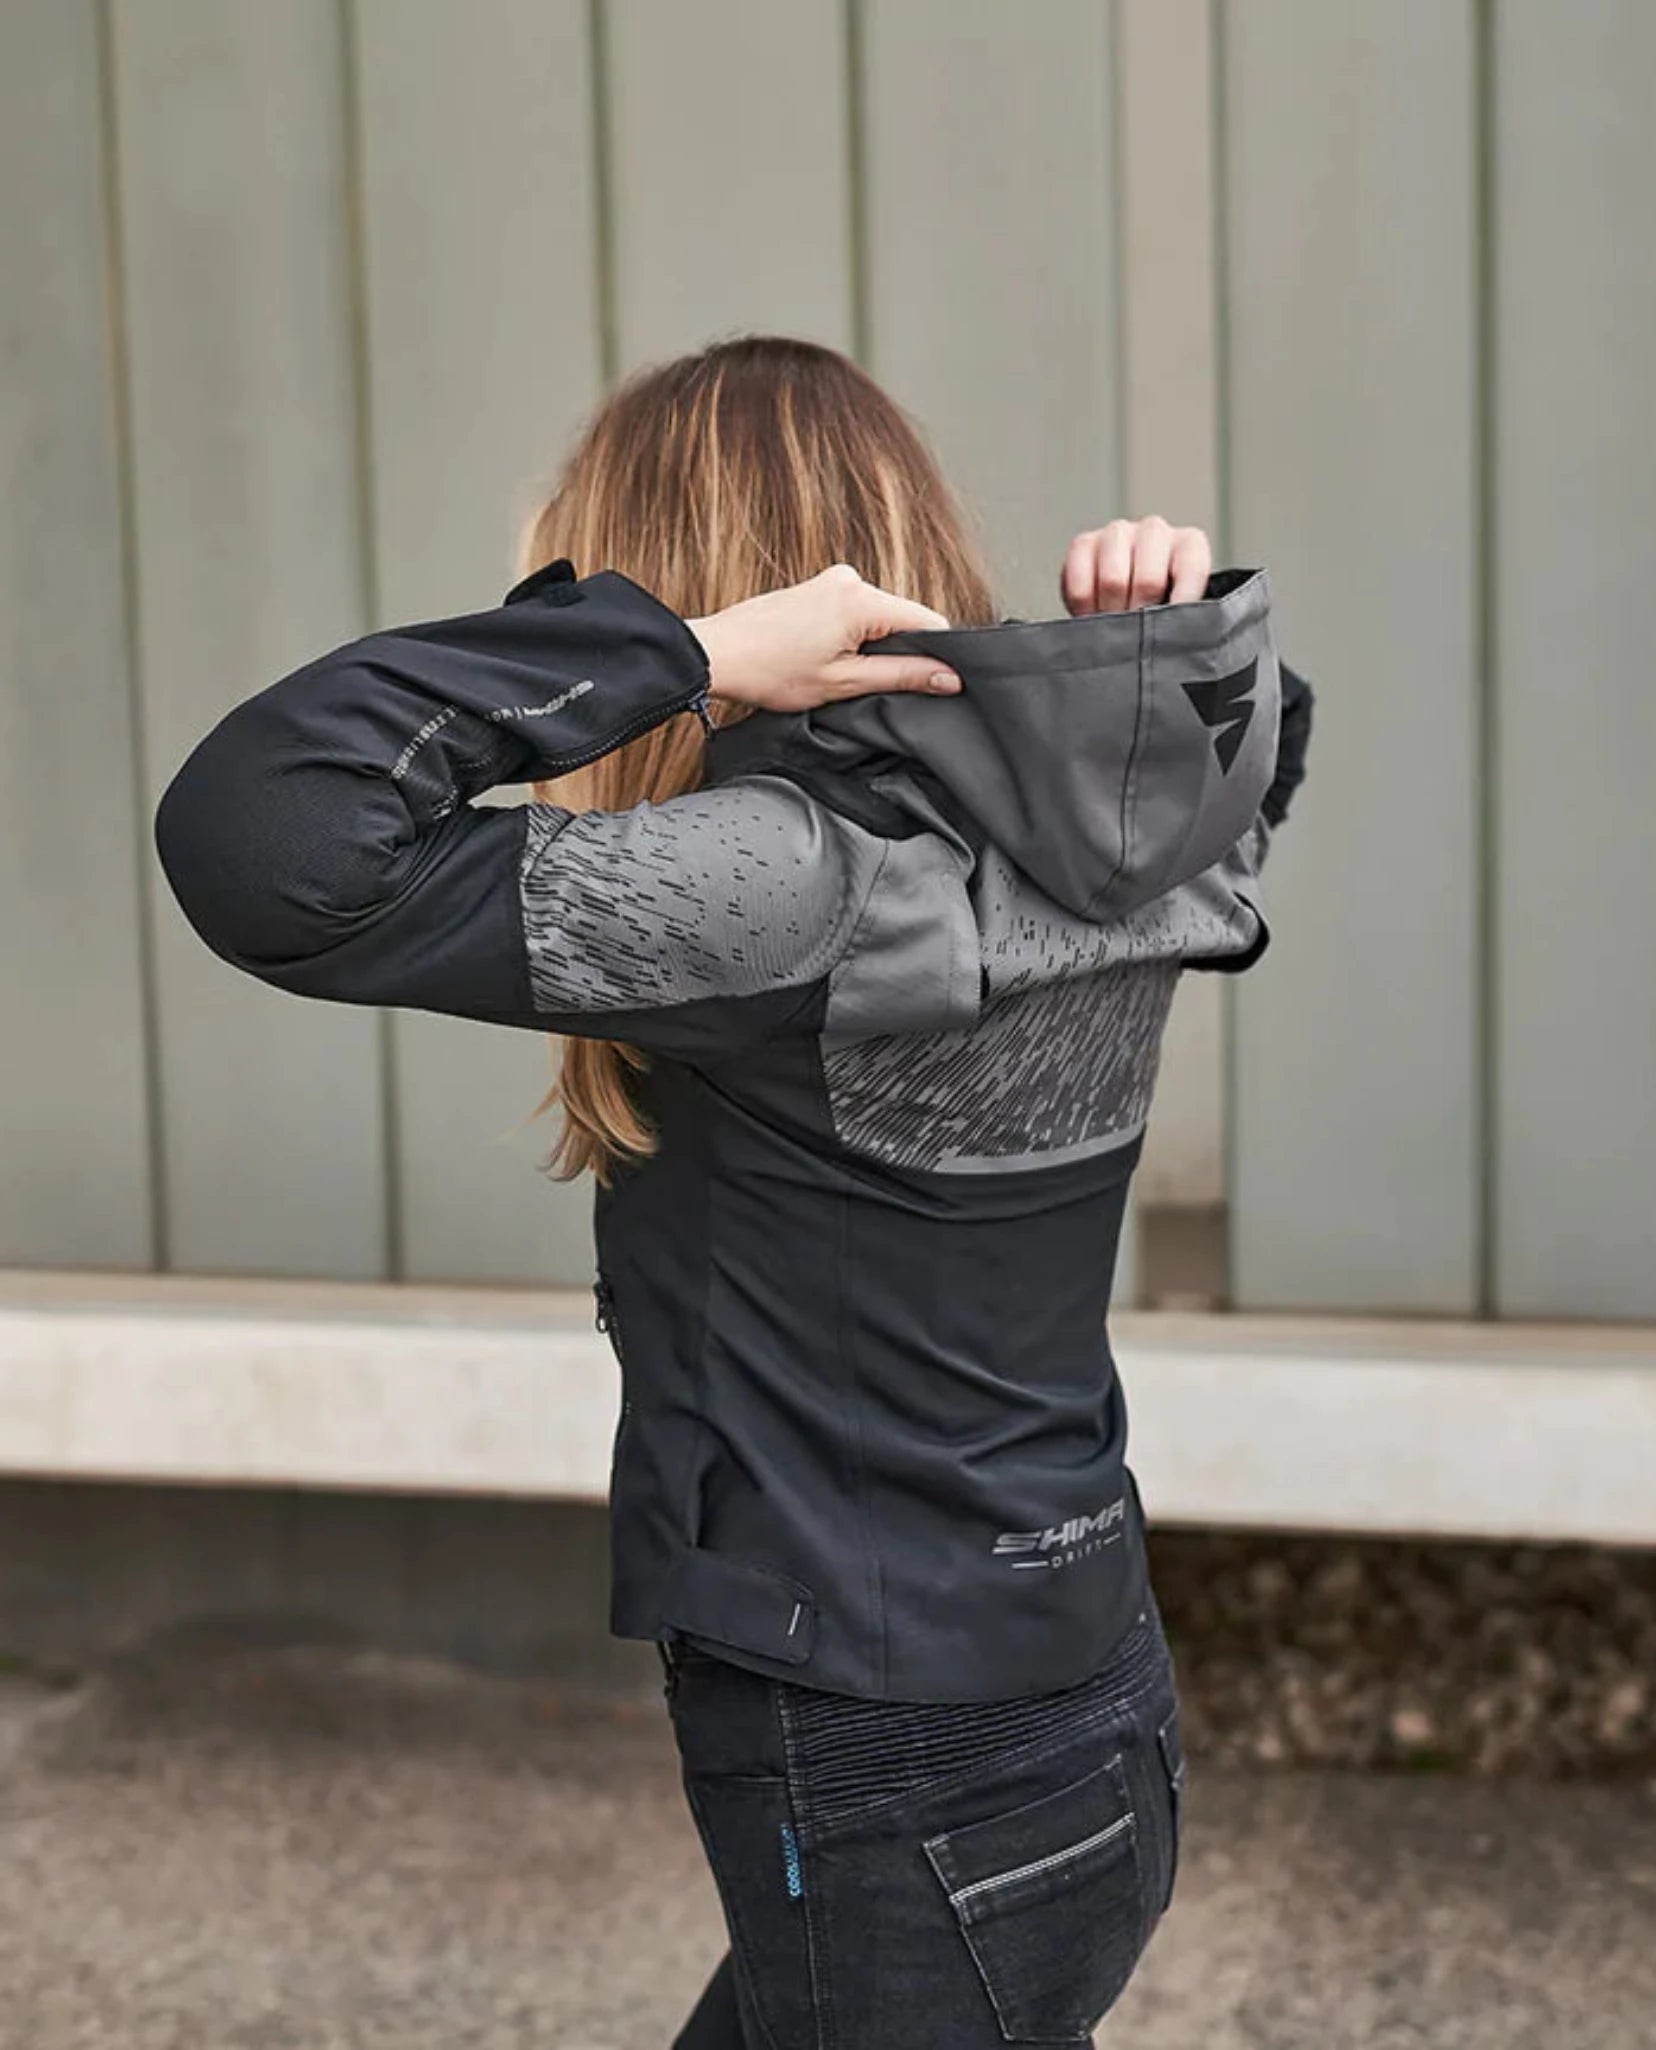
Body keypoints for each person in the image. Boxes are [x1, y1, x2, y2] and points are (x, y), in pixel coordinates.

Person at [155, 336, 1312, 2049]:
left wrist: (680, 655)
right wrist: (1157, 634)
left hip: (896, 1782)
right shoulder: (1104, 842)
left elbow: (264, 834)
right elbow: (1263, 744)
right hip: (1088, 1721)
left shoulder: (791, 883)